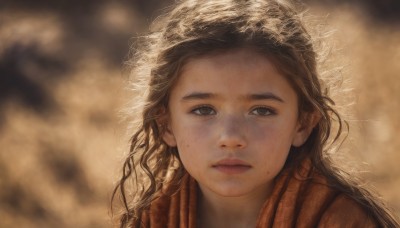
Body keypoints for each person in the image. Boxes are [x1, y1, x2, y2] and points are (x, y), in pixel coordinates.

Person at [112, 0, 399, 227]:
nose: (231, 138)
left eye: (262, 110)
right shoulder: (154, 218)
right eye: (203, 109)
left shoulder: (341, 221)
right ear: (166, 125)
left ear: (303, 123)